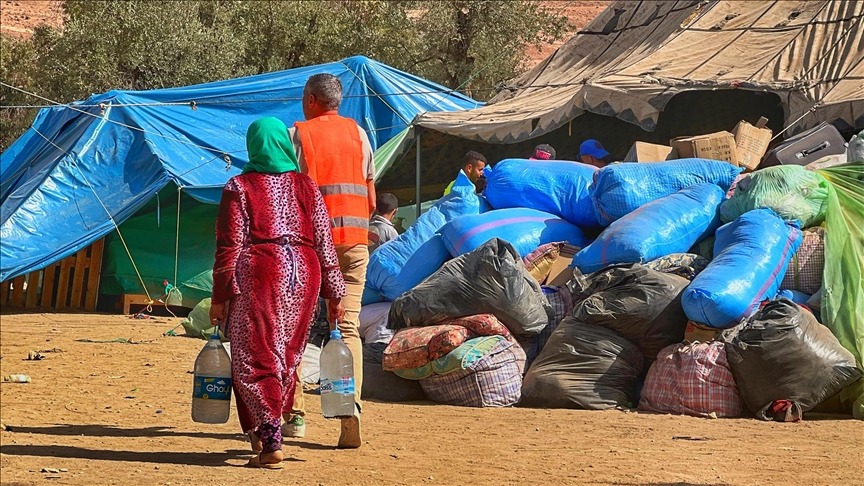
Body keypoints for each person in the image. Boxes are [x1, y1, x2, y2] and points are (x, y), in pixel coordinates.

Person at [209, 117, 346, 469]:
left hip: (261, 272)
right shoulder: (307, 185)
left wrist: (219, 297)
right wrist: (335, 294)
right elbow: (324, 240)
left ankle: (271, 443)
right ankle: (263, 431)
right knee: (286, 356)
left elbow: (229, 244)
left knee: (255, 357)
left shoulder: (240, 186)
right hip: (305, 273)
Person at [286, 73, 375, 448]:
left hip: (309, 245)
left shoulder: (298, 135)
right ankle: (349, 409)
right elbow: (371, 195)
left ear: (310, 99)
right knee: (348, 329)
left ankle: (295, 417)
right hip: (354, 243)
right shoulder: (360, 135)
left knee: (295, 329)